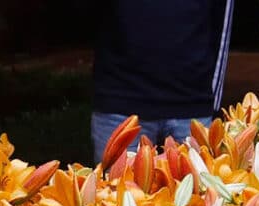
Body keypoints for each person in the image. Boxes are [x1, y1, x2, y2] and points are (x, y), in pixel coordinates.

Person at [91, 0, 234, 164]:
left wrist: (209, 103)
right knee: (113, 188)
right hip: (119, 103)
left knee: (202, 189)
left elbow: (221, 25)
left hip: (192, 106)